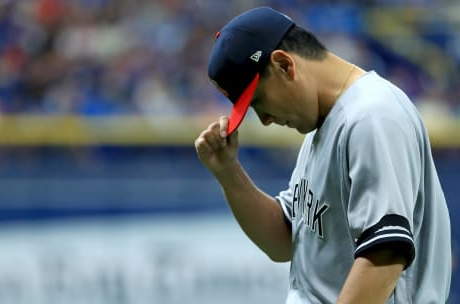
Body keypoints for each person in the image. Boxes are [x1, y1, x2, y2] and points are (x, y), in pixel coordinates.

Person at [194, 6, 452, 304]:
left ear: (284, 65)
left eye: (259, 101)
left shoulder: (373, 116)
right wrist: (229, 173)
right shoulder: (325, 122)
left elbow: (384, 256)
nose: (264, 119)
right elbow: (283, 240)